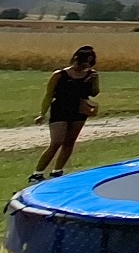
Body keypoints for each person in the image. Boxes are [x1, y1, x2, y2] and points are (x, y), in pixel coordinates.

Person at [31, 45, 100, 182]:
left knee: (69, 142)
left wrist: (92, 81)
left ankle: (57, 171)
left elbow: (94, 93)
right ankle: (37, 173)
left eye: (90, 62)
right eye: (84, 61)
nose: (86, 65)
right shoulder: (59, 75)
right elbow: (49, 95)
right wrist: (42, 114)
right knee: (57, 141)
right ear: (76, 59)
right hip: (60, 109)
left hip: (79, 110)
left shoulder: (92, 75)